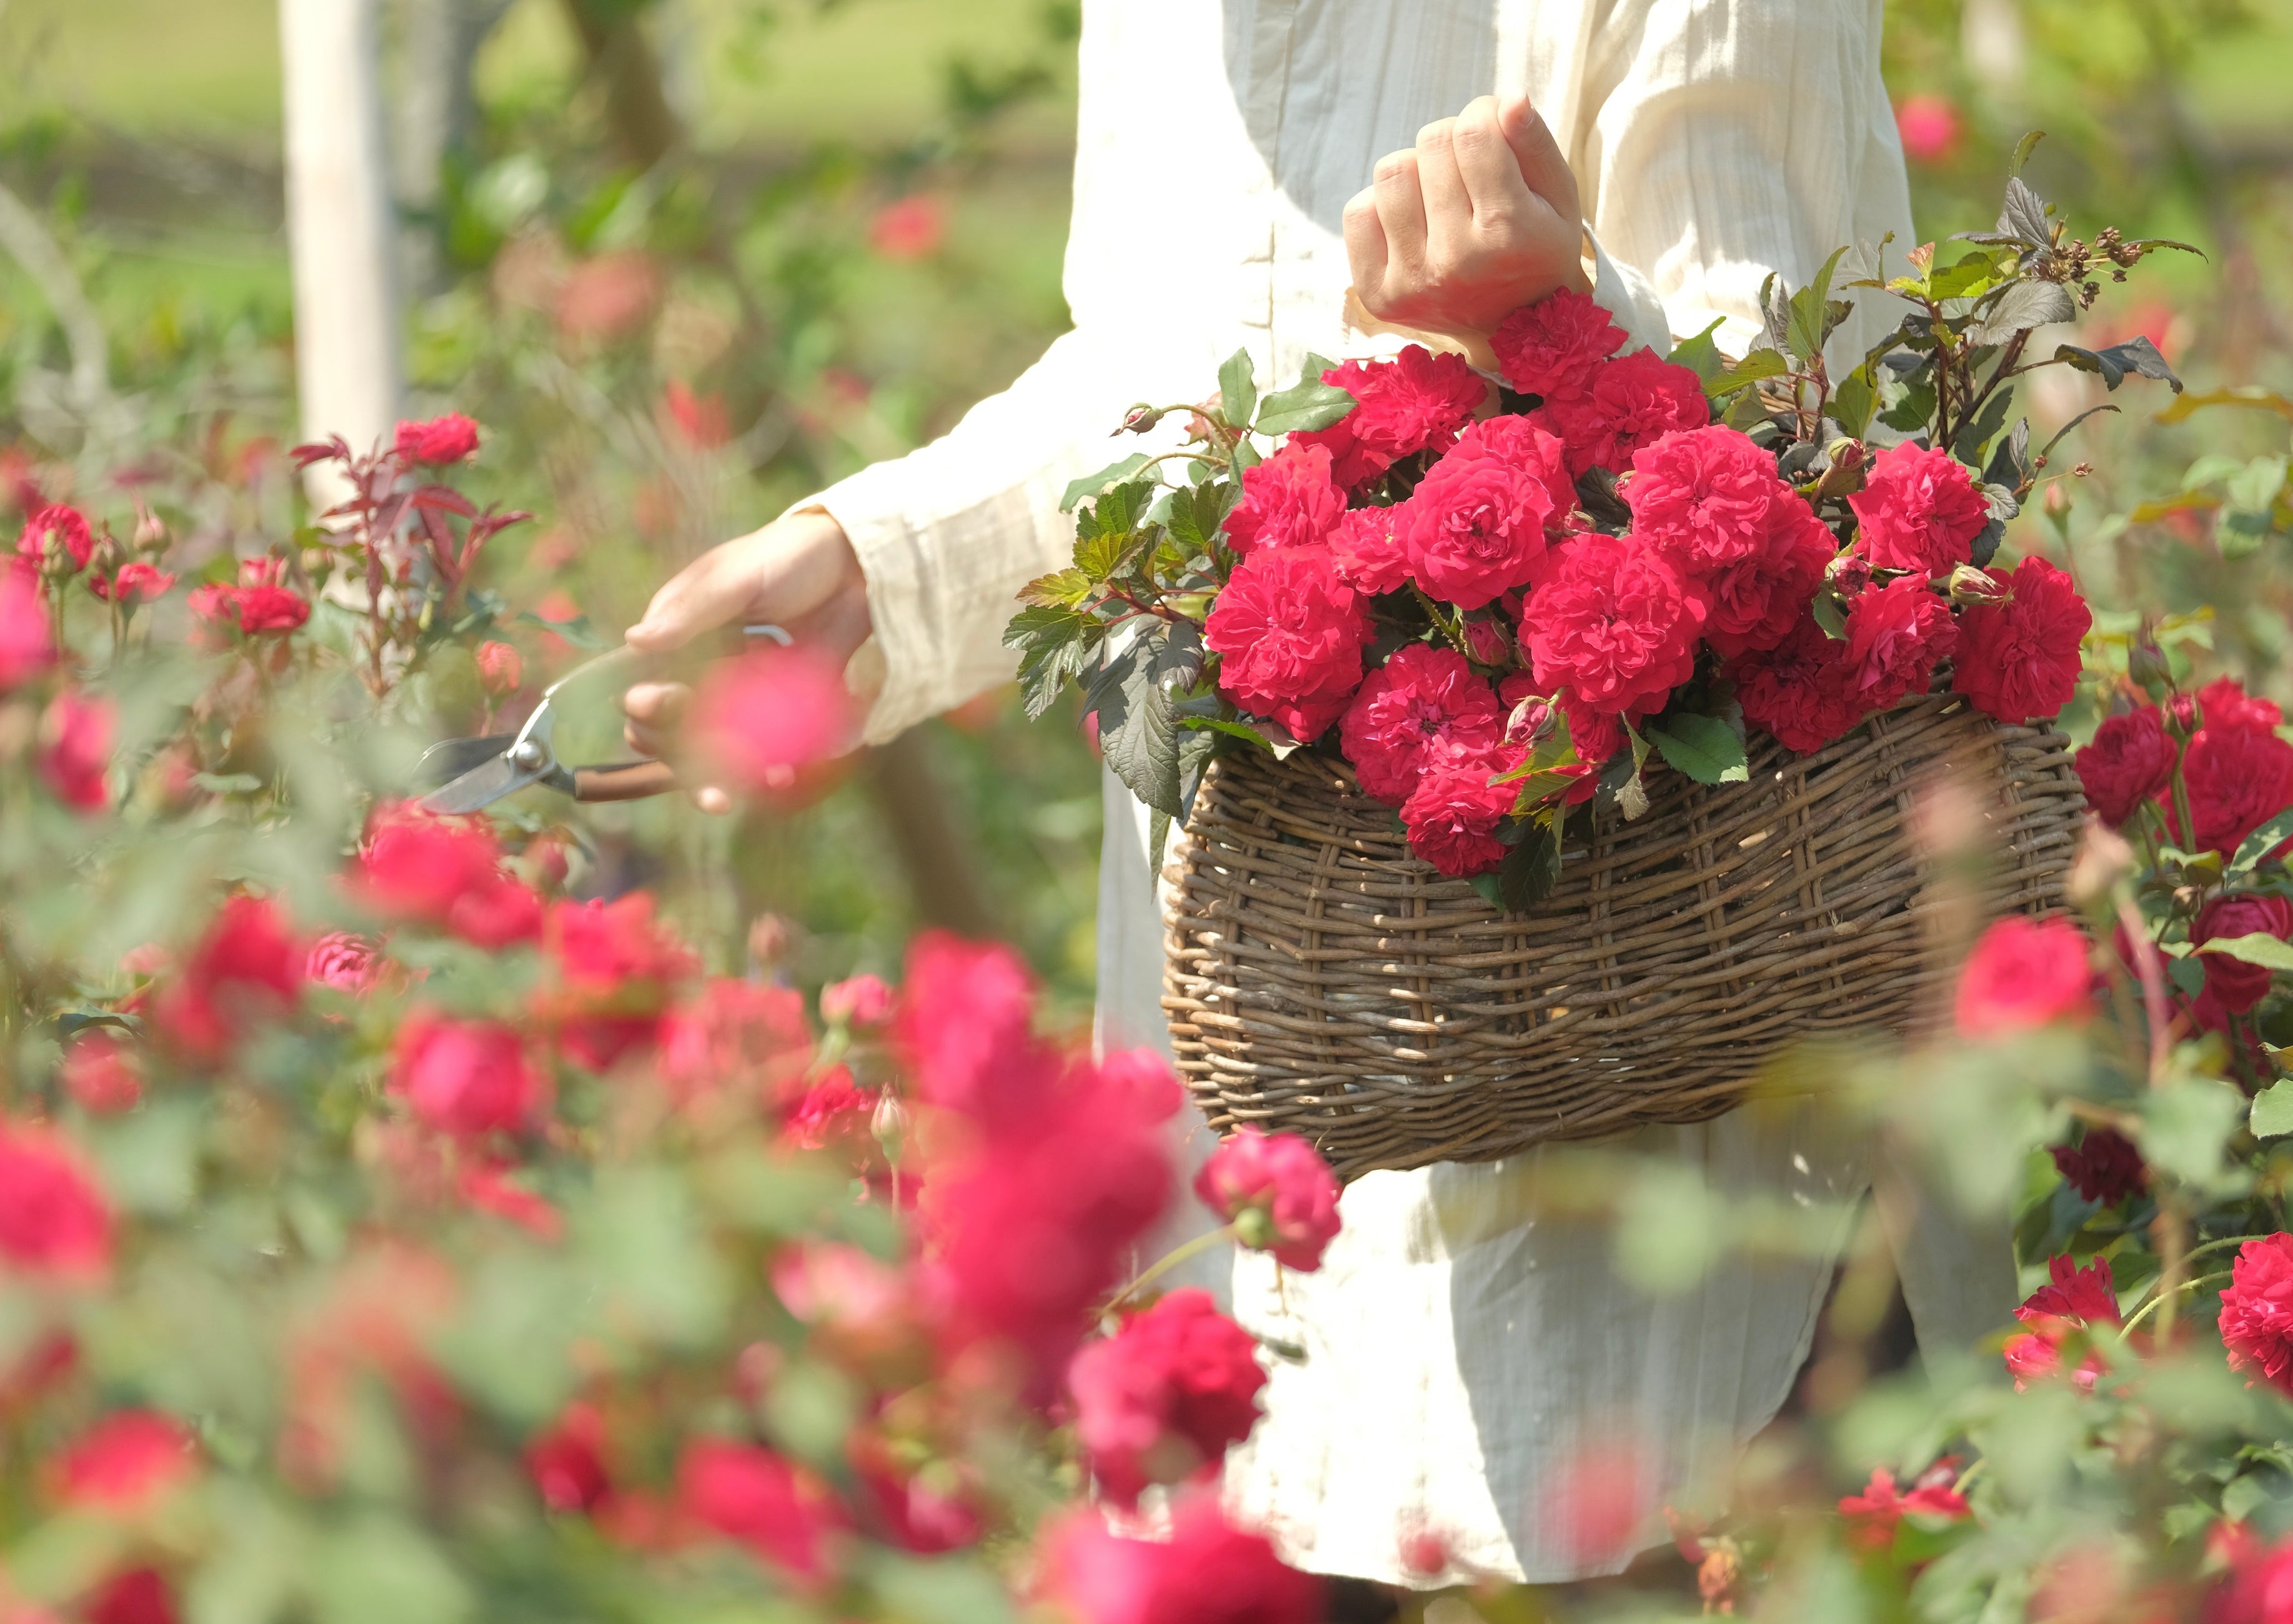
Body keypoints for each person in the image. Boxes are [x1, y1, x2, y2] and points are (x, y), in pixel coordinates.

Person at [621, 0, 2015, 1595]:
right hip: (1272, 1158)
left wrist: (1553, 319)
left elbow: (1826, 457)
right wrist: (874, 567)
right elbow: (1153, 376)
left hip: (1654, 1178)